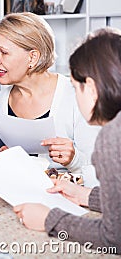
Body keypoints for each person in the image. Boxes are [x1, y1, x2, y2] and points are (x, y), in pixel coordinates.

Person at [13, 28, 121, 253]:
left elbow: (113, 239)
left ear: (90, 88)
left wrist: (49, 219)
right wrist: (86, 195)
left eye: (74, 88)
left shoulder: (111, 139)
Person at [0, 12, 101, 185]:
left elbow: (102, 170)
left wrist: (74, 159)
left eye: (4, 52)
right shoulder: (0, 100)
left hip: (69, 197)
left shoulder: (75, 96)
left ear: (32, 57)